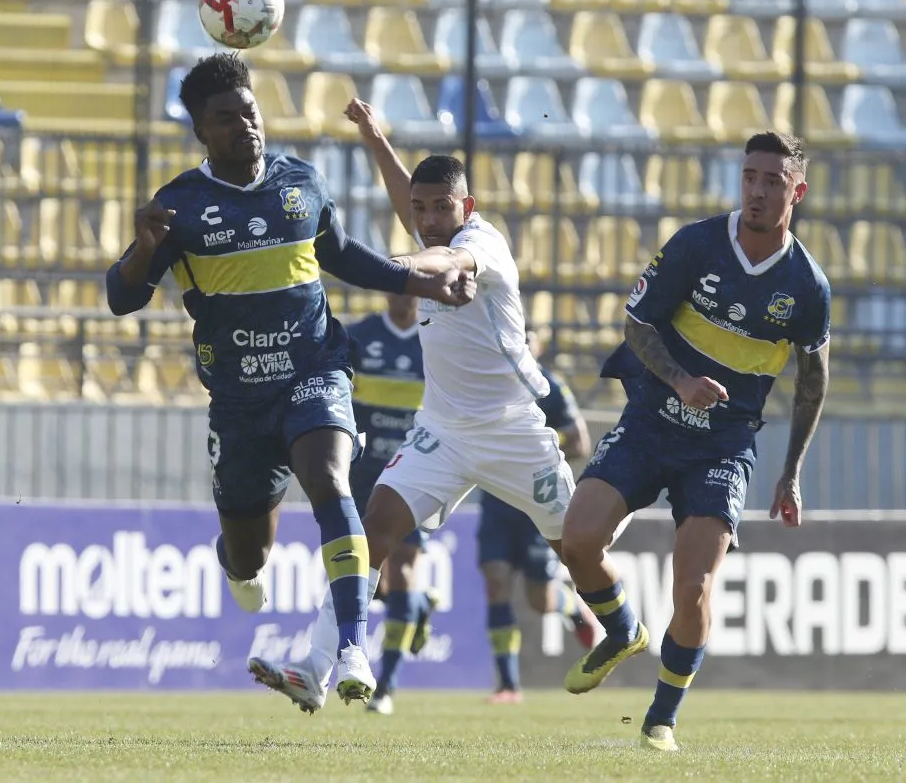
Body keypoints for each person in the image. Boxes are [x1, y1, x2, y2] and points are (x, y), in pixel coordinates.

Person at [104, 54, 475, 706]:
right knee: (248, 556)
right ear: (202, 133)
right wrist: (141, 249)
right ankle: (238, 562)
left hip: (315, 369)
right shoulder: (179, 207)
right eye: (227, 118)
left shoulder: (299, 182)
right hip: (240, 402)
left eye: (250, 111)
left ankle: (351, 641)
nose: (246, 126)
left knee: (331, 481)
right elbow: (121, 298)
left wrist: (422, 280)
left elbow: (345, 258)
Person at [247, 99, 630, 713]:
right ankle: (316, 668)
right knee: (372, 531)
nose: (426, 219)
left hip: (513, 431)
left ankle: (628, 628)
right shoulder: (428, 222)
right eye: (420, 209)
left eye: (440, 207)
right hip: (442, 432)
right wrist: (376, 137)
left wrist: (395, 268)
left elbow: (448, 260)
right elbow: (409, 205)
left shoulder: (483, 244)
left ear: (467, 207)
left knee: (580, 551)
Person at [559, 131, 831, 752]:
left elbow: (813, 383)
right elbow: (636, 322)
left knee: (695, 587)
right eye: (750, 177)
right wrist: (679, 379)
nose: (758, 191)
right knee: (577, 538)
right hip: (651, 424)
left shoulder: (808, 287)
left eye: (773, 181)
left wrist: (790, 475)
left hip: (722, 449)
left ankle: (662, 719)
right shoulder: (697, 243)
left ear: (798, 191)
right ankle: (624, 628)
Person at [478, 326, 597, 704]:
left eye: (528, 341)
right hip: (497, 501)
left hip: (536, 501)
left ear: (538, 347)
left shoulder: (551, 387)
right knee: (495, 582)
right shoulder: (489, 385)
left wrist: (537, 441)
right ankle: (508, 684)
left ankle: (573, 607)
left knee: (540, 600)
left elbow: (580, 443)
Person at [346, 294, 437, 716]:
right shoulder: (360, 337)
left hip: (416, 470)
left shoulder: (436, 338)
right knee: (372, 577)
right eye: (396, 285)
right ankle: (418, 607)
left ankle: (387, 686)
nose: (404, 294)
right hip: (363, 472)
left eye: (412, 287)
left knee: (401, 567)